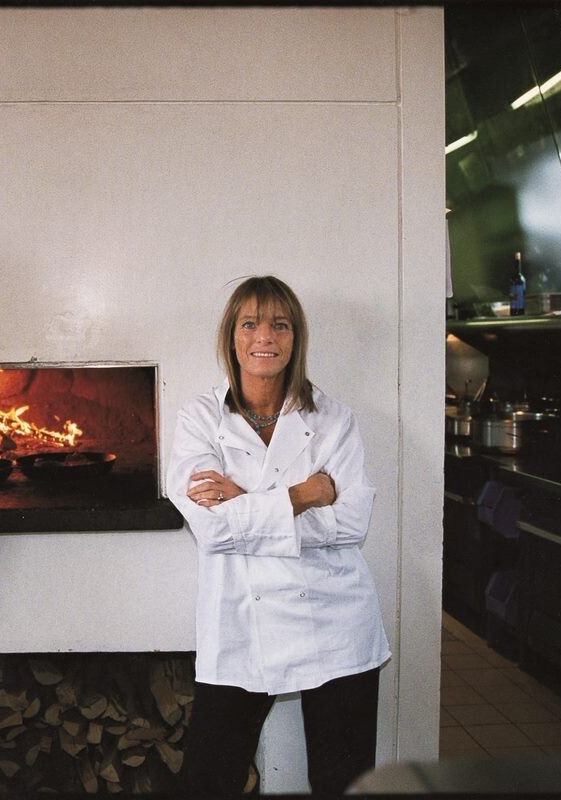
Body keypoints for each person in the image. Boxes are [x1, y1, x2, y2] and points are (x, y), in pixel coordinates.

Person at [167, 275, 391, 796]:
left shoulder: (335, 419)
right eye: (250, 324)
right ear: (232, 337)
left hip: (335, 620)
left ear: (296, 338)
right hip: (241, 621)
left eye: (280, 325)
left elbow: (351, 524)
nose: (264, 336)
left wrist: (244, 499)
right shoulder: (199, 417)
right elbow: (212, 530)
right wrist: (304, 495)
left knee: (343, 783)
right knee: (208, 781)